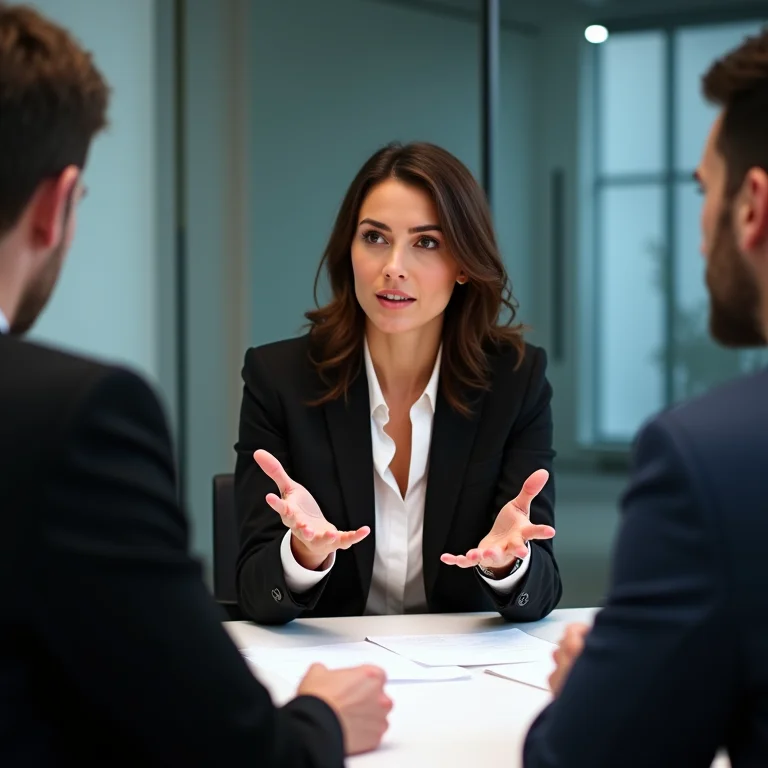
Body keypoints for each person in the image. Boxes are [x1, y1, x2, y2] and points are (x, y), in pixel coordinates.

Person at [0, 4, 390, 766]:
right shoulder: (71, 417)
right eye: (374, 239)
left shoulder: (515, 380)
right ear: (56, 204)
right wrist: (322, 720)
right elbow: (225, 744)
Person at [524, 29, 768, 768]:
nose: (697, 236)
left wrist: (597, 690)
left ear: (752, 205)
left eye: (704, 191)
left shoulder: (713, 461)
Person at [235, 141, 562, 625]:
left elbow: (541, 590)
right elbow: (254, 593)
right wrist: (302, 556)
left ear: (465, 265)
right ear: (348, 250)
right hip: (330, 670)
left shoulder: (516, 380)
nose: (393, 266)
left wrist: (510, 565)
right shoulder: (278, 379)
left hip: (463, 675)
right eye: (375, 237)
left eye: (426, 242)